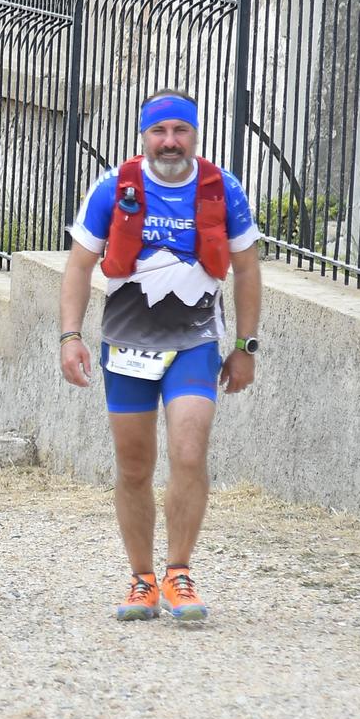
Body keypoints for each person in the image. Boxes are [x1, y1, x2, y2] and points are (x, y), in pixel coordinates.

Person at [58, 89, 263, 623]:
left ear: (195, 135)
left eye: (180, 131)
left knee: (189, 453)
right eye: (159, 131)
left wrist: (245, 346)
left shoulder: (224, 190)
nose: (170, 142)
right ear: (143, 135)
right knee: (133, 466)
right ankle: (141, 579)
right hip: (125, 345)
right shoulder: (114, 187)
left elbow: (247, 270)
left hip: (195, 343)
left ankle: (179, 572)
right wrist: (69, 335)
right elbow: (80, 266)